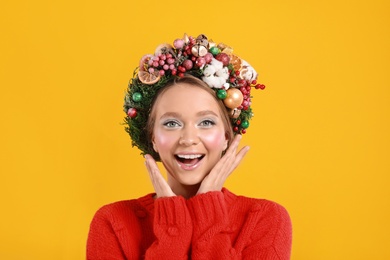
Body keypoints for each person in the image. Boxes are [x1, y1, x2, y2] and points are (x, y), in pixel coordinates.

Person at [87, 33, 292, 259]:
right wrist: (173, 230)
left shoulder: (265, 219)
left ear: (227, 136)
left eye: (206, 122)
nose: (188, 138)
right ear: (152, 138)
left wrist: (208, 212)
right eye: (171, 123)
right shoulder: (113, 222)